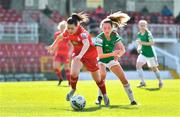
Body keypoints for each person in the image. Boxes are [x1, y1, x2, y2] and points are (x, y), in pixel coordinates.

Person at [47, 12, 110, 106]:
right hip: (77, 54)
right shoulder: (67, 30)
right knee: (73, 72)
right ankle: (73, 89)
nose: (70, 30)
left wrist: (80, 55)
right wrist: (53, 45)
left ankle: (104, 95)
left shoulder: (83, 33)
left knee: (97, 79)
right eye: (68, 28)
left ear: (78, 26)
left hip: (90, 55)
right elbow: (60, 37)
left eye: (72, 28)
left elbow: (86, 44)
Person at [95, 11, 137, 105]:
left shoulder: (115, 35)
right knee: (102, 75)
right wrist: (113, 54)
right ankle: (99, 98)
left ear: (112, 27)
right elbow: (100, 55)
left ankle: (132, 100)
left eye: (109, 28)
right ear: (101, 28)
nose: (106, 30)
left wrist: (118, 55)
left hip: (111, 59)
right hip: (101, 60)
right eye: (104, 28)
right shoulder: (99, 37)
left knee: (124, 79)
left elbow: (122, 49)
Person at [136, 20, 163, 88]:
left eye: (143, 25)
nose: (142, 27)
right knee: (138, 65)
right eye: (141, 25)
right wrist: (139, 48)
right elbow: (140, 43)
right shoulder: (139, 34)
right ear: (138, 26)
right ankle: (143, 82)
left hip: (150, 53)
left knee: (154, 68)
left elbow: (152, 43)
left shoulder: (148, 33)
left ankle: (160, 81)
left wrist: (141, 43)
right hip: (143, 53)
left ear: (146, 26)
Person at [53, 21, 73, 86]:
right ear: (59, 27)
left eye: (63, 27)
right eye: (61, 27)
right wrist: (53, 49)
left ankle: (69, 82)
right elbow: (56, 43)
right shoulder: (56, 34)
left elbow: (71, 45)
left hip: (65, 53)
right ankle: (60, 78)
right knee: (56, 67)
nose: (62, 28)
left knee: (67, 68)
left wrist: (70, 52)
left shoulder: (68, 34)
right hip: (58, 53)